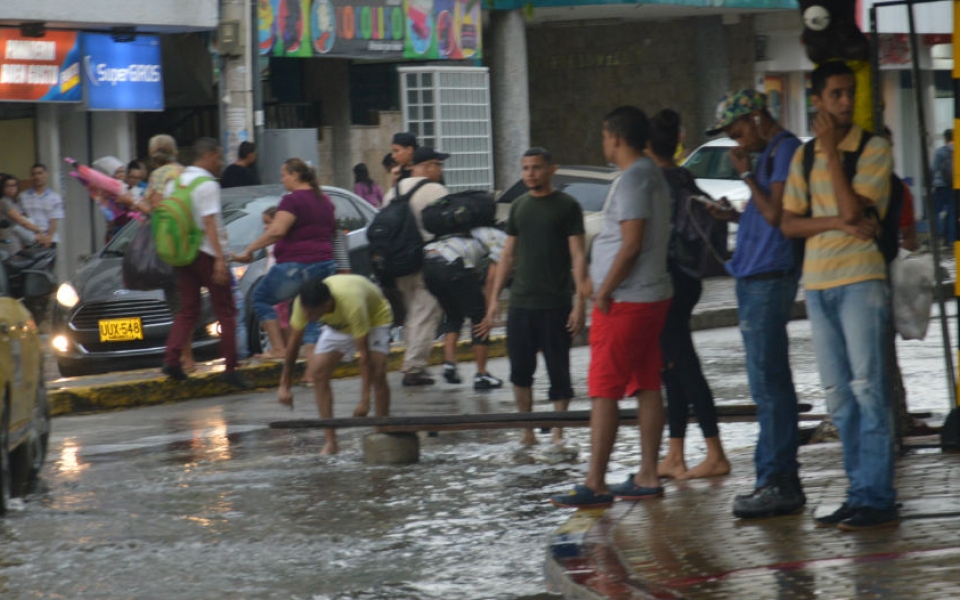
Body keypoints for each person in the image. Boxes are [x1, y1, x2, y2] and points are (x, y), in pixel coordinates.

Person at [781, 62, 898, 530]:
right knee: (838, 396)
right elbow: (789, 223)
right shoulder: (802, 157)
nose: (845, 102)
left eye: (849, 93)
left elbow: (854, 207)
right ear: (818, 100)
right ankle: (858, 491)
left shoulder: (874, 149)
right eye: (836, 94)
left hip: (861, 282)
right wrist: (834, 223)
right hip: (819, 283)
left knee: (868, 388)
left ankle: (878, 495)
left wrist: (831, 152)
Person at [550, 106, 672, 508]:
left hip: (627, 300)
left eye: (605, 137)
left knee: (604, 389)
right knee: (647, 382)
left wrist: (604, 291)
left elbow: (632, 244)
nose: (603, 143)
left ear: (616, 137)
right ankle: (648, 473)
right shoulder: (651, 173)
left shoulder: (635, 177)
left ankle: (596, 481)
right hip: (649, 295)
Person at [704, 89, 805, 519]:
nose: (738, 143)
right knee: (764, 384)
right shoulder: (767, 155)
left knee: (770, 385)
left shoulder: (785, 151)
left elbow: (777, 214)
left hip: (769, 278)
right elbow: (760, 215)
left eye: (741, 132)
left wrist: (746, 177)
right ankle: (772, 477)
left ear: (761, 118)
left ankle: (778, 480)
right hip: (752, 276)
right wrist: (732, 216)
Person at [478, 147, 588, 446]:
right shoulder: (519, 207)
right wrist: (492, 303)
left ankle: (558, 431)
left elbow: (578, 256)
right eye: (525, 168)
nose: (530, 173)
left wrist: (580, 302)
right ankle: (527, 430)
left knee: (559, 370)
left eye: (536, 168)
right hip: (521, 303)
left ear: (551, 169)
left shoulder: (567, 206)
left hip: (556, 303)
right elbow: (507, 255)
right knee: (520, 371)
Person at [647, 109, 730, 481]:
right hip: (688, 280)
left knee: (683, 364)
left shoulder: (653, 184)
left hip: (668, 283)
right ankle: (675, 453)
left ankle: (715, 452)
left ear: (648, 146)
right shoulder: (684, 178)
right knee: (673, 366)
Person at [161, 137, 251, 390]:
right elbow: (210, 223)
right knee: (227, 310)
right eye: (218, 157)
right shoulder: (207, 184)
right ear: (209, 156)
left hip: (181, 253)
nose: (220, 163)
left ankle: (172, 359)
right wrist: (221, 259)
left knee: (188, 308)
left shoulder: (175, 182)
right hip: (206, 254)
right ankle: (231, 367)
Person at [233, 158, 338, 361]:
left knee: (261, 297)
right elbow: (333, 233)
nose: (282, 180)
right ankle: (312, 365)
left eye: (284, 175)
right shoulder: (324, 201)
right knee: (311, 315)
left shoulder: (292, 200)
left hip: (296, 265)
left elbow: (277, 231)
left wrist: (251, 248)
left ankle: (279, 348)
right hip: (324, 264)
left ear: (295, 175)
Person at [278, 274, 393, 455]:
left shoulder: (351, 302)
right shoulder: (304, 303)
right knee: (318, 373)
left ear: (326, 304)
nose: (307, 317)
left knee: (377, 372)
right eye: (305, 312)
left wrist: (364, 400)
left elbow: (363, 356)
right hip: (337, 326)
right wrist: (284, 386)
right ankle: (331, 441)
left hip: (373, 318)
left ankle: (381, 432)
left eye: (311, 313)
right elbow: (292, 346)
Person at [381, 146, 447, 386]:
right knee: (426, 311)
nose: (440, 170)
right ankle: (414, 367)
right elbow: (445, 224)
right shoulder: (435, 190)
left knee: (411, 313)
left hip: (396, 263)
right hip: (424, 260)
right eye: (437, 165)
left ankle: (412, 360)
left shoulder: (394, 190)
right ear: (427, 166)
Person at [423, 225, 507, 390]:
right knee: (480, 317)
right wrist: (490, 308)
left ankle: (449, 365)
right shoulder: (502, 239)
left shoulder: (472, 230)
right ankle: (481, 376)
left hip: (428, 262)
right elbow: (491, 279)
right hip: (453, 263)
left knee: (453, 314)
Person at [141, 134, 193, 371]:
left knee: (178, 304)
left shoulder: (157, 176)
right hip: (190, 241)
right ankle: (187, 357)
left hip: (167, 244)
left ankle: (184, 356)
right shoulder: (185, 172)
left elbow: (154, 209)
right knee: (188, 302)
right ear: (176, 152)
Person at [19, 163, 63, 250]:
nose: (37, 177)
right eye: (34, 174)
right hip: (30, 239)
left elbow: (53, 221)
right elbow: (21, 218)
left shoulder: (55, 197)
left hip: (49, 240)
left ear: (46, 175)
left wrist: (48, 238)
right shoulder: (23, 196)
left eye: (40, 173)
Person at [0, 174, 45, 255]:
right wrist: (38, 230)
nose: (12, 188)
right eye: (8, 186)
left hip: (17, 239)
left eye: (14, 185)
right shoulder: (4, 202)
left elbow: (24, 218)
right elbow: (21, 221)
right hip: (8, 241)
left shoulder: (14, 201)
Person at [932, 128, 953, 247]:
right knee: (952, 213)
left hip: (940, 185)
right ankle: (950, 240)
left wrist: (929, 182)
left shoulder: (940, 151)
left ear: (945, 138)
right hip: (954, 186)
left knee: (936, 211)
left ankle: (939, 236)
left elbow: (934, 169)